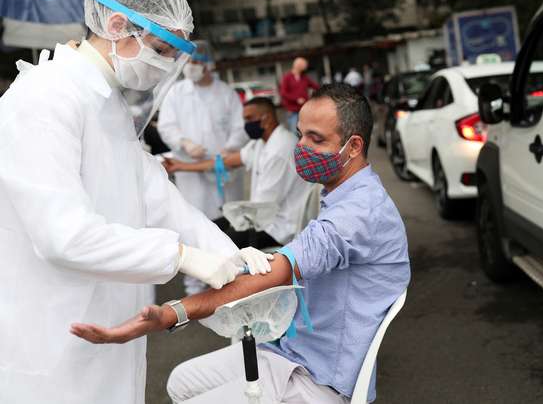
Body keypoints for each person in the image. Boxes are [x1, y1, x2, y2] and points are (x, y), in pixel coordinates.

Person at [0, 0, 272, 404]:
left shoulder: (106, 103)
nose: (165, 65)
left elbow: (156, 196)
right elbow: (63, 236)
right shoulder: (44, 98)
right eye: (162, 49)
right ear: (116, 27)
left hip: (107, 323)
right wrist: (181, 256)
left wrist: (228, 252)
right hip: (50, 339)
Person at [71, 83, 411, 404]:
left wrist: (172, 313)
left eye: (316, 139)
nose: (302, 147)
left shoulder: (356, 214)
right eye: (300, 135)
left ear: (353, 146)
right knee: (179, 381)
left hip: (317, 377)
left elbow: (273, 275)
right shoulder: (350, 196)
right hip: (292, 351)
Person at [158, 41, 249, 294]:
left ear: (209, 65)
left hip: (223, 170)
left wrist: (227, 150)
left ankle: (230, 276)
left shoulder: (225, 93)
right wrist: (182, 142)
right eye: (188, 62)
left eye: (197, 62)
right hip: (190, 172)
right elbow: (166, 126)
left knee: (226, 223)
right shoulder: (176, 93)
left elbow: (239, 127)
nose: (191, 67)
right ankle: (195, 285)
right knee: (192, 224)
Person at [165, 96, 314, 249]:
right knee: (209, 228)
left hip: (278, 229)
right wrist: (180, 166)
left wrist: (232, 211)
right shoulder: (260, 143)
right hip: (261, 218)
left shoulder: (279, 149)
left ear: (267, 119)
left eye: (250, 118)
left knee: (217, 244)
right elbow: (226, 162)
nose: (246, 125)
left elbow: (263, 207)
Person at [279, 56, 319, 131]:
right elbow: (283, 93)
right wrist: (296, 99)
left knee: (307, 131)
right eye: (304, 65)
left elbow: (315, 86)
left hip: (304, 109)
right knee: (295, 132)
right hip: (292, 111)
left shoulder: (304, 77)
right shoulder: (287, 77)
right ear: (298, 66)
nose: (306, 67)